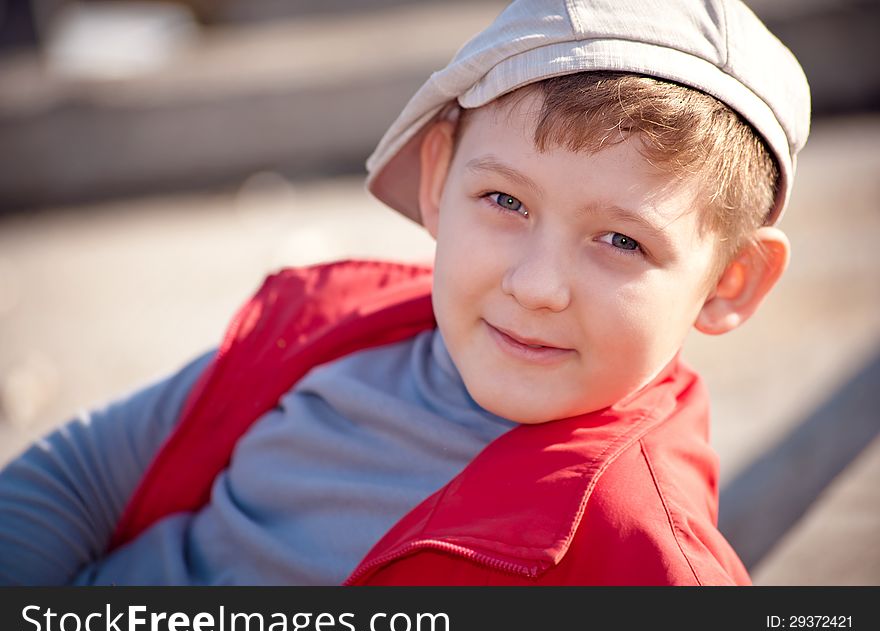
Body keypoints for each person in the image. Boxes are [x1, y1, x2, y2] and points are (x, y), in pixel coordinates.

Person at [0, 0, 810, 585]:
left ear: (730, 281)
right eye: (505, 202)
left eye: (622, 241)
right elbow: (80, 475)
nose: (535, 287)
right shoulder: (326, 328)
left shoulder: (637, 550)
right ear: (437, 182)